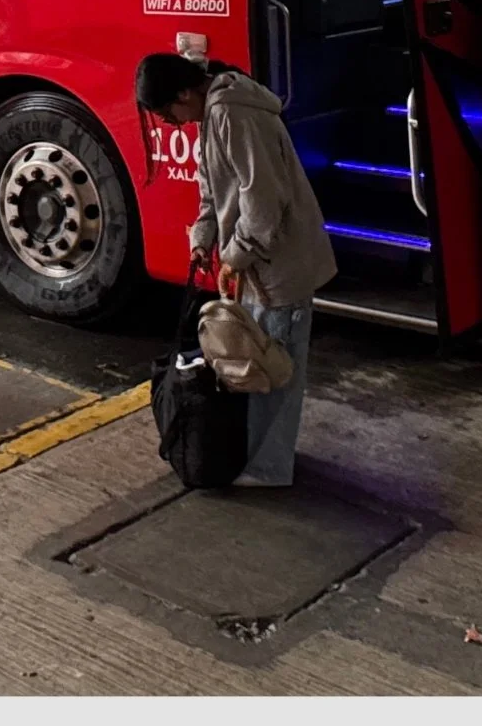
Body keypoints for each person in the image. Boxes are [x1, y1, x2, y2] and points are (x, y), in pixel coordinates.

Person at [134, 50, 337, 488]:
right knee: (259, 368)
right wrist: (202, 242)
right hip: (258, 266)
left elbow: (265, 201)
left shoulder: (233, 114)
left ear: (185, 92)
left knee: (274, 373)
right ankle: (262, 458)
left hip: (280, 266)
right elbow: (212, 192)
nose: (174, 123)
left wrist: (234, 254)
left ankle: (269, 470)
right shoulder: (212, 112)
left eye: (171, 113)